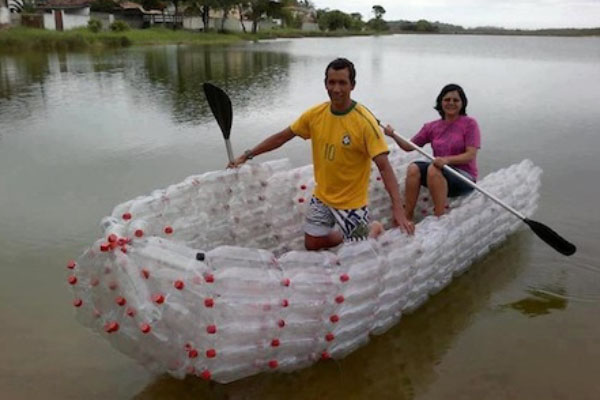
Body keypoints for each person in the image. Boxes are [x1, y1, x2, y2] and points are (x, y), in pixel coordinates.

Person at [229, 58, 414, 251]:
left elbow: (384, 167)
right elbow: (282, 137)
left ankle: (371, 229)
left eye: (342, 83)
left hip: (352, 203)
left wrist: (398, 209)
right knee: (312, 244)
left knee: (358, 254)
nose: (336, 89)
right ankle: (350, 233)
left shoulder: (365, 123)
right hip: (323, 196)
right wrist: (247, 155)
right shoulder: (315, 115)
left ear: (353, 85)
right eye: (331, 82)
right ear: (325, 83)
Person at [384, 83, 481, 220]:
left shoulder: (470, 124)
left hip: (463, 177)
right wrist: (393, 134)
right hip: (438, 171)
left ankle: (439, 217)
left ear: (462, 103)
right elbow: (408, 146)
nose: (451, 103)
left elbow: (470, 155)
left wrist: (447, 160)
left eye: (456, 100)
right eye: (447, 100)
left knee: (433, 168)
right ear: (441, 102)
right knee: (413, 168)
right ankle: (407, 216)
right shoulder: (431, 127)